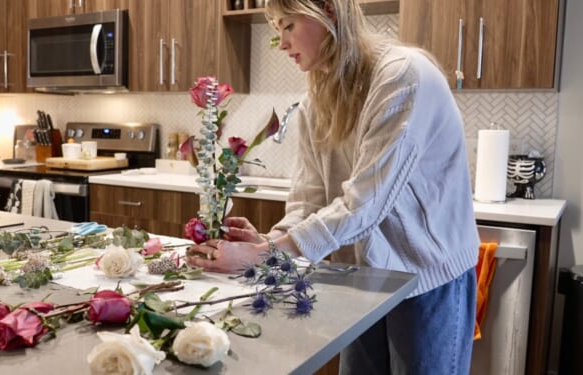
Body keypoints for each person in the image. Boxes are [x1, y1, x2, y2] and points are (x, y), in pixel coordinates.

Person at [185, 0, 479, 374]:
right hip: (363, 280)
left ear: (328, 11)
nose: (281, 43)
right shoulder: (316, 101)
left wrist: (265, 256)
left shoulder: (403, 76)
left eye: (288, 25)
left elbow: (365, 204)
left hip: (426, 277)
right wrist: (268, 243)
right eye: (276, 30)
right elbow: (308, 200)